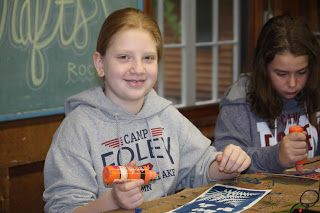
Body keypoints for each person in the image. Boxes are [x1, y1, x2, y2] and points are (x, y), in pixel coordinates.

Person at [43, 7, 251, 212]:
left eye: (148, 58)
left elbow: (201, 166)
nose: (138, 69)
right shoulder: (77, 128)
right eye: (124, 57)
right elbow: (62, 209)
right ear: (100, 63)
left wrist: (226, 164)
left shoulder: (165, 114)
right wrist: (113, 201)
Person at [214, 14, 320, 174]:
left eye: (301, 72)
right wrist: (276, 157)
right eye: (281, 74)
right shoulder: (239, 99)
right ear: (263, 68)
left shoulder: (314, 89)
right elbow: (223, 161)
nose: (293, 83)